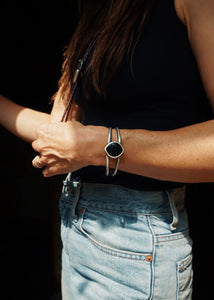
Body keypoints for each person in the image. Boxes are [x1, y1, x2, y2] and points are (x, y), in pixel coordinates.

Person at [0, 0, 214, 298]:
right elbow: (61, 135)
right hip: (78, 228)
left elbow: (83, 144)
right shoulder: (97, 14)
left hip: (136, 242)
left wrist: (99, 147)